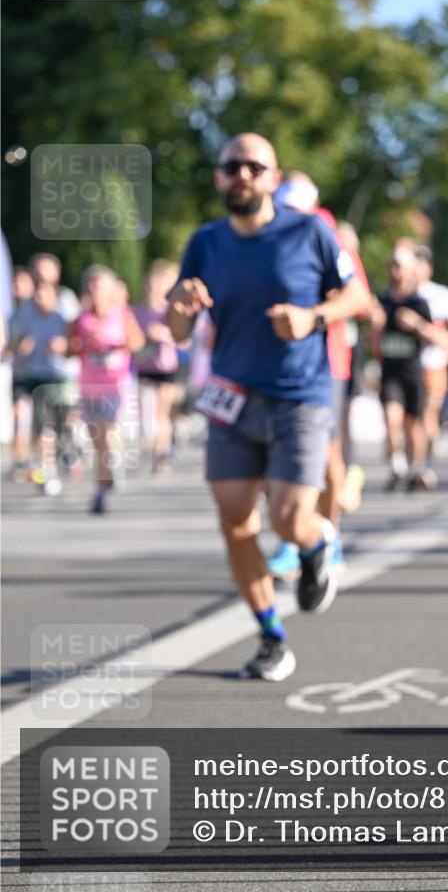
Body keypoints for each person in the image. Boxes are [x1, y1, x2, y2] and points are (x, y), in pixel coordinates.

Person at [167, 133, 369, 682]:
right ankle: (271, 638)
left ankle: (316, 541)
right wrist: (179, 311)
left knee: (286, 518)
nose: (244, 175)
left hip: (299, 396)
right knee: (235, 524)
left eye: (255, 166)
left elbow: (358, 300)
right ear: (219, 177)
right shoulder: (206, 242)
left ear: (274, 178)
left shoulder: (309, 231)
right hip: (231, 399)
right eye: (233, 166)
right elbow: (179, 328)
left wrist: (313, 318)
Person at [267, 174, 372, 579]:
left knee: (325, 459)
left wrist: (318, 310)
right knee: (274, 457)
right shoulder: (260, 233)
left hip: (324, 364)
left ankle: (328, 540)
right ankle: (297, 535)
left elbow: (361, 301)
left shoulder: (327, 233)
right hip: (273, 364)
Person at [69, 265, 145, 514]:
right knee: (96, 439)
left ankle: (101, 489)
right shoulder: (81, 318)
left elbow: (137, 342)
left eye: (99, 284)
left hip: (115, 384)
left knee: (106, 433)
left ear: (111, 288)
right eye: (91, 284)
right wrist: (83, 344)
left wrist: (115, 344)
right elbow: (69, 347)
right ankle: (108, 471)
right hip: (89, 385)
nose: (94, 289)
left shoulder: (122, 314)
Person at [371, 245, 437, 491]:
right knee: (391, 419)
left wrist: (416, 324)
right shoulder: (383, 300)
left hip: (413, 371)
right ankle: (396, 466)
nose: (396, 271)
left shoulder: (419, 303)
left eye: (402, 266)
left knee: (413, 426)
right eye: (394, 265)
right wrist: (375, 328)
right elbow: (373, 341)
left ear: (411, 271)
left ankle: (415, 467)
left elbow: (434, 337)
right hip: (390, 372)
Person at [9, 280, 69, 493]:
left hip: (56, 376)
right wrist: (20, 346)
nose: (40, 299)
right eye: (37, 295)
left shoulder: (62, 318)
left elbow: (75, 344)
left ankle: (64, 452)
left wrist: (63, 346)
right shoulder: (25, 316)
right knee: (42, 427)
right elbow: (11, 343)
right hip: (32, 377)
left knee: (60, 427)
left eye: (44, 295)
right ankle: (46, 470)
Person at [414, 245, 448, 475]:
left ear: (429, 268)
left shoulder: (440, 294)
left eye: (420, 263)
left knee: (428, 413)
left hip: (433, 364)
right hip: (406, 366)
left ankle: (424, 465)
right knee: (410, 419)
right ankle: (409, 463)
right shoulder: (399, 294)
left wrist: (447, 340)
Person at [133, 260, 181, 472]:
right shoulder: (137, 311)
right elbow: (131, 337)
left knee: (161, 414)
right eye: (149, 286)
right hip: (144, 366)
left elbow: (183, 339)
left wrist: (161, 334)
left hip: (166, 368)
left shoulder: (169, 310)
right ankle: (152, 448)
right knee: (146, 412)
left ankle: (162, 455)